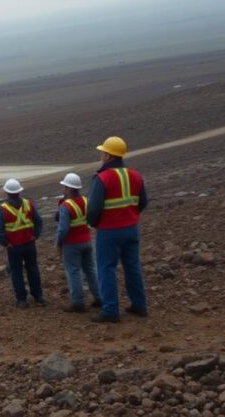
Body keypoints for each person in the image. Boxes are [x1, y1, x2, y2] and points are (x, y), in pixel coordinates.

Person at [88, 136, 148, 323]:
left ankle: (110, 310)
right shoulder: (135, 175)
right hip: (130, 228)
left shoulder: (102, 178)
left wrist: (94, 223)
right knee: (132, 267)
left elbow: (93, 208)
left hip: (109, 230)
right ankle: (139, 305)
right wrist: (130, 215)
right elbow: (142, 202)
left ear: (108, 155)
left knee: (106, 268)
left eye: (102, 152)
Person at [0, 178, 45, 308]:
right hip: (29, 243)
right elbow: (39, 221)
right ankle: (38, 297)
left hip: (14, 246)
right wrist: (35, 235)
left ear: (7, 192)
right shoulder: (28, 204)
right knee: (33, 269)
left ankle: (22, 299)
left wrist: (5, 243)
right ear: (19, 191)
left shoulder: (3, 209)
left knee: (16, 272)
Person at [55, 173, 101, 313]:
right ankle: (99, 297)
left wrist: (59, 243)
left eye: (65, 187)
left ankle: (78, 302)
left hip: (72, 244)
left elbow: (63, 229)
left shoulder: (66, 206)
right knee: (91, 270)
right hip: (87, 240)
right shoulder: (86, 201)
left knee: (73, 271)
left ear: (69, 188)